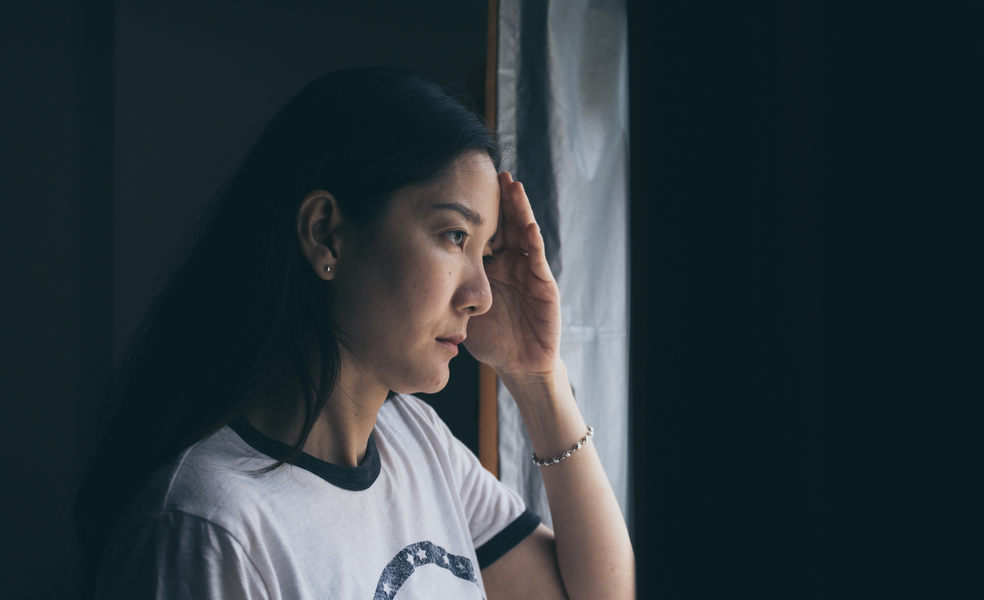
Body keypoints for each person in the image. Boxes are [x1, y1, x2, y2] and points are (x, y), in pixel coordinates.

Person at [73, 67, 634, 599]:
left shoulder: (415, 441)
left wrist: (537, 377)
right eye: (454, 236)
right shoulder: (210, 528)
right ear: (327, 235)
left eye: (485, 253)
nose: (481, 296)